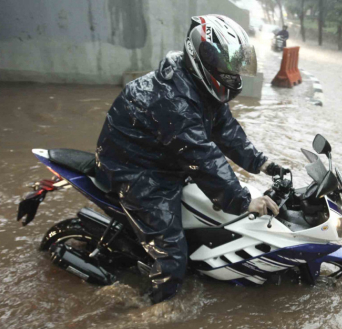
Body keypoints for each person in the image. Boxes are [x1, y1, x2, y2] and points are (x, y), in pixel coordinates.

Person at [95, 15, 287, 303]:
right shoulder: (173, 100)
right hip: (135, 170)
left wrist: (262, 163)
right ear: (203, 58)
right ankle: (152, 308)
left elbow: (226, 130)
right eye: (228, 65)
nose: (233, 73)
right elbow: (202, 156)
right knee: (173, 255)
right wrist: (243, 200)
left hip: (163, 161)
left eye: (236, 65)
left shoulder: (198, 87)